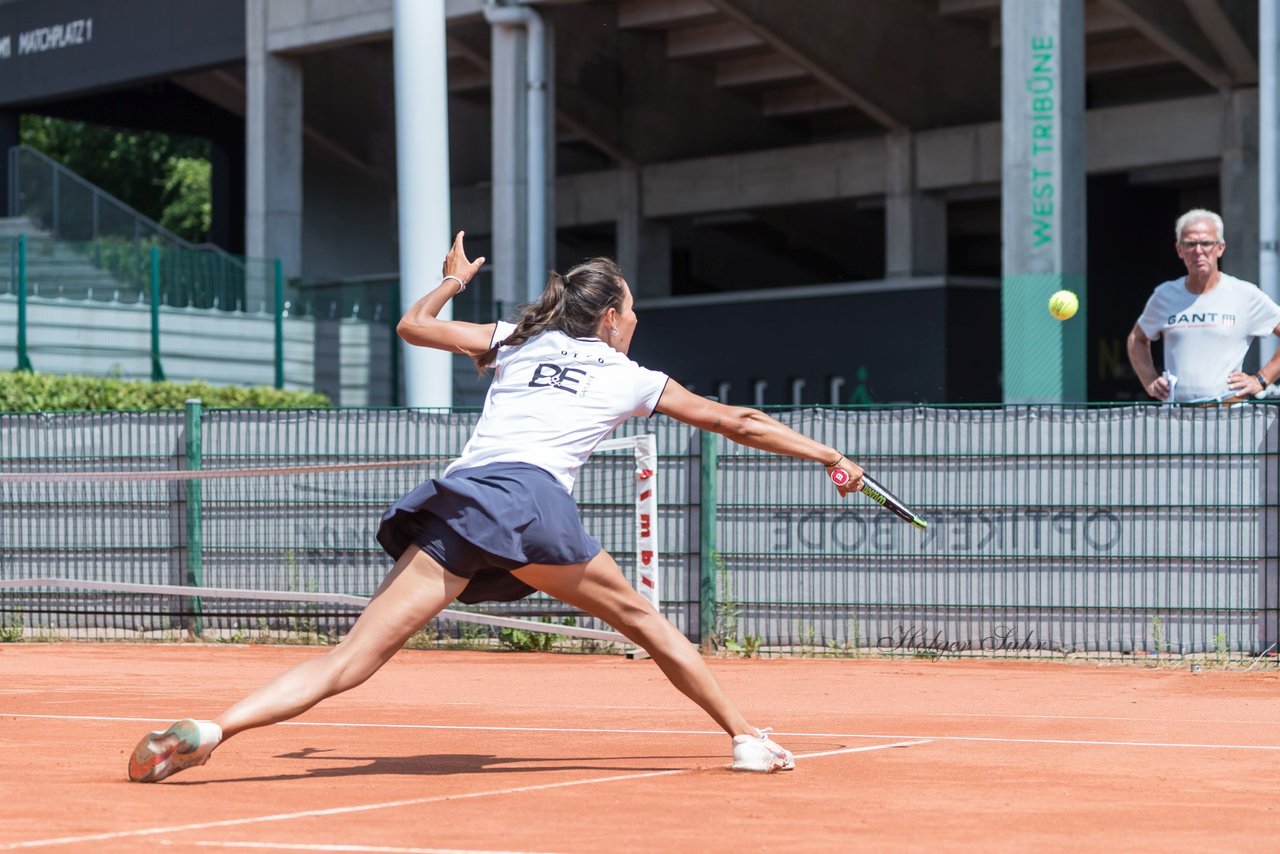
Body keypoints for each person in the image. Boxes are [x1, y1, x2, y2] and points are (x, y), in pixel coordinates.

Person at [128, 230, 867, 782]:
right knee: (646, 621)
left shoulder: (515, 340)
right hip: (531, 503)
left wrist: (451, 282)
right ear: (610, 317)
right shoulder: (629, 374)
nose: (635, 319)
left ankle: (211, 728)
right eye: (631, 309)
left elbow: (412, 327)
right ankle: (745, 737)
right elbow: (736, 421)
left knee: (349, 659)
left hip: (462, 501)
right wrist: (829, 455)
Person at [1127, 208, 1280, 403]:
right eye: (1190, 244)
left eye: (1206, 243)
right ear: (1179, 250)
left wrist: (1262, 379)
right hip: (1177, 421)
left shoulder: (1245, 294)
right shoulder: (1164, 295)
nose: (1198, 251)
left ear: (1220, 248)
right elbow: (1136, 339)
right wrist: (1149, 380)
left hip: (1230, 418)